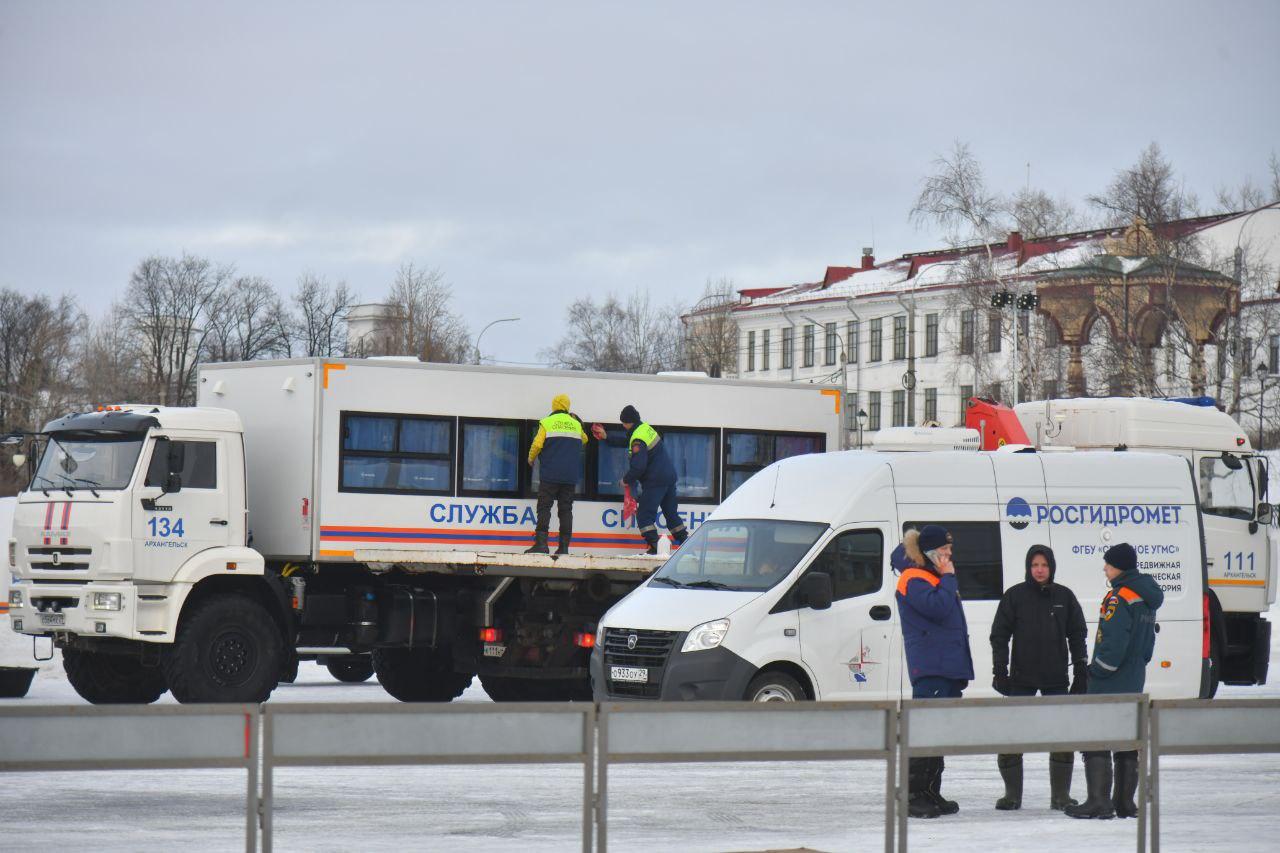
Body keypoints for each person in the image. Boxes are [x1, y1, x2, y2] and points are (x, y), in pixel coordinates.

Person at [1065, 542, 1163, 820]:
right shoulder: (1145, 596)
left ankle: (1098, 801)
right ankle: (1124, 802)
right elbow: (1147, 645)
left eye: (1108, 563)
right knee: (1126, 738)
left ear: (1119, 566)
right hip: (1133, 677)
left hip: (1110, 680)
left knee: (1096, 736)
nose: (1105, 568)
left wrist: (1097, 670)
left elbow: (1114, 641)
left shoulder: (1119, 598)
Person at [989, 545, 1089, 811]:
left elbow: (1078, 634)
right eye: (1035, 565)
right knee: (1012, 735)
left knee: (1061, 736)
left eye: (1044, 565)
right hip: (1021, 679)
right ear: (1028, 567)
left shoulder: (1065, 597)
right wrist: (1000, 670)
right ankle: (1012, 795)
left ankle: (1060, 796)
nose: (1040, 569)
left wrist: (1081, 669)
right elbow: (999, 635)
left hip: (1056, 679)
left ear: (1051, 567)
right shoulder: (1015, 596)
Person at [894, 525, 974, 819]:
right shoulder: (913, 578)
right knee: (925, 730)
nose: (949, 555)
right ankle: (913, 795)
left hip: (946, 666)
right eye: (945, 551)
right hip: (931, 666)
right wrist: (950, 577)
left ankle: (930, 790)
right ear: (930, 552)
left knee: (938, 731)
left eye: (949, 551)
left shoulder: (935, 578)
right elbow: (938, 609)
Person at [592, 405, 687, 555]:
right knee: (671, 514)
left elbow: (638, 467)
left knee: (644, 515)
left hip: (655, 481)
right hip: (668, 478)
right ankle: (686, 546)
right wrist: (607, 437)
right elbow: (628, 440)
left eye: (623, 423)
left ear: (628, 422)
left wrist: (625, 480)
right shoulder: (644, 429)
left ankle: (655, 547)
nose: (622, 426)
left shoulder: (637, 438)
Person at [524, 394, 588, 555]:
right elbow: (585, 439)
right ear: (567, 406)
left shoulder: (547, 422)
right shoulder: (575, 425)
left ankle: (541, 544)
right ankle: (564, 547)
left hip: (550, 476)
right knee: (565, 510)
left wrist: (531, 458)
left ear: (554, 406)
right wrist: (577, 421)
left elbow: (537, 444)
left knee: (544, 507)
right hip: (570, 477)